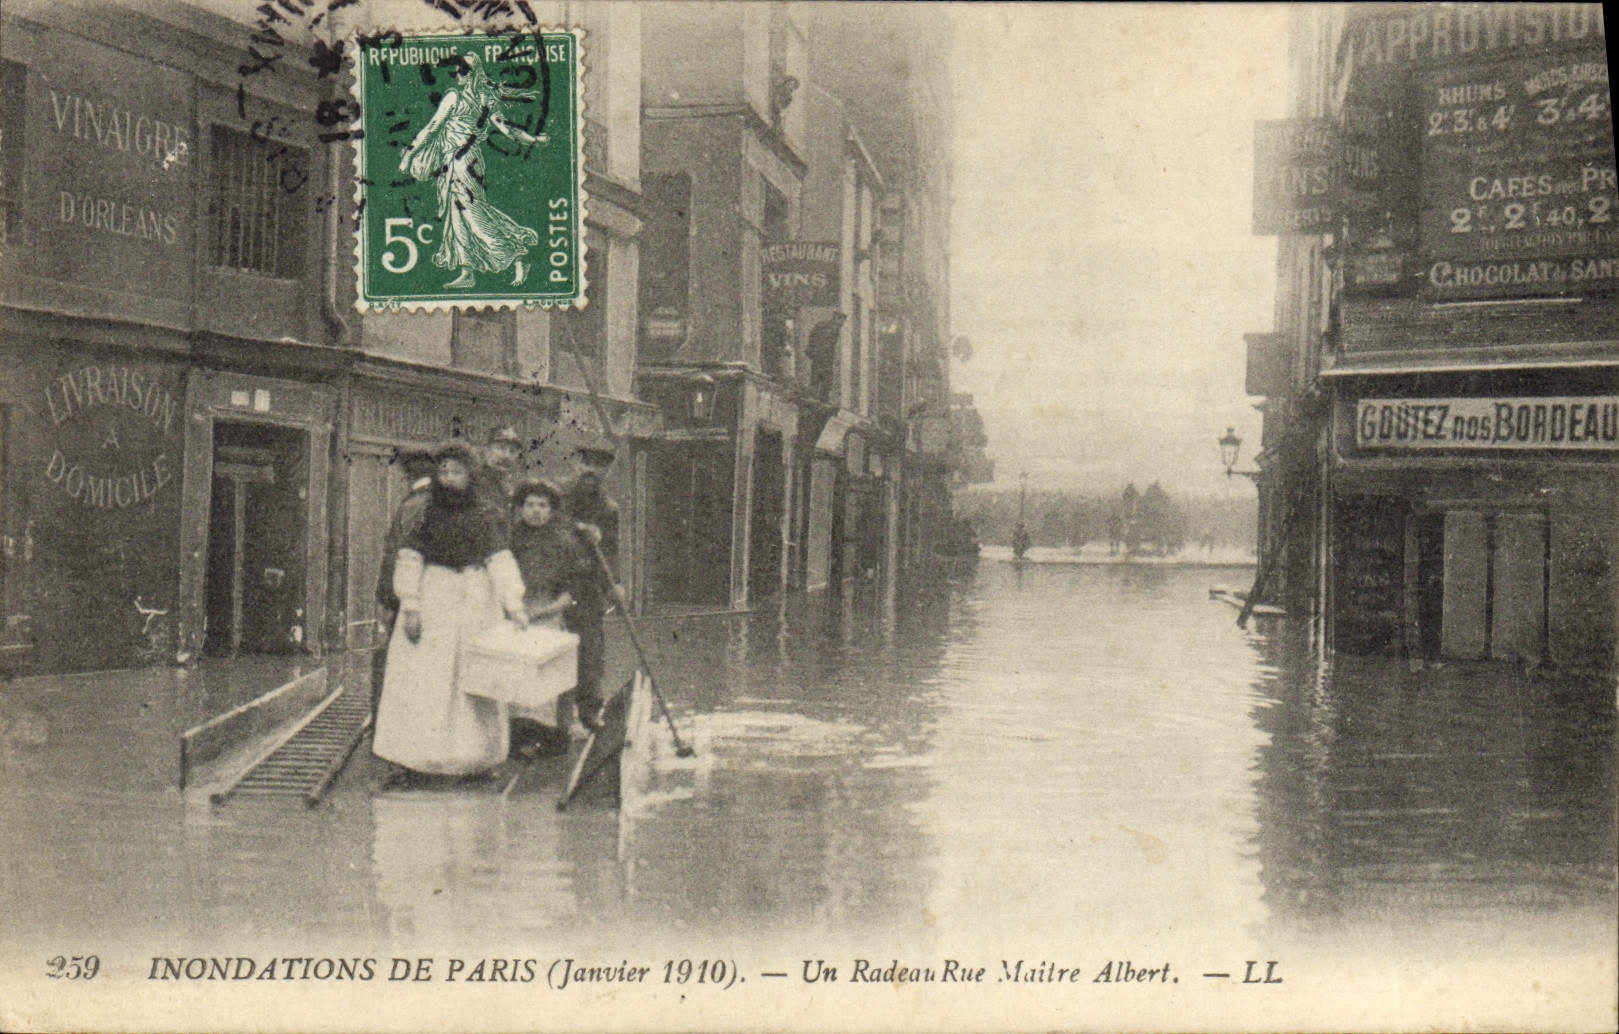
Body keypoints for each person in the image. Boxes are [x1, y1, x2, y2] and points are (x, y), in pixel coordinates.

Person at [373, 440, 527, 785]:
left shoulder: (486, 515)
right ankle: (417, 758)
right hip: (435, 600)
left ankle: (477, 759)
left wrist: (514, 605)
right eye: (443, 471)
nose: (449, 478)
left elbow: (500, 560)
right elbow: (410, 558)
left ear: (471, 475)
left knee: (474, 680)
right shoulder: (426, 514)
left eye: (457, 471)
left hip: (476, 603)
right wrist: (410, 605)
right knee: (427, 679)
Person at [398, 53, 547, 290]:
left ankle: (516, 254)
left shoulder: (454, 97)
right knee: (458, 214)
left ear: (469, 73)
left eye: (459, 71)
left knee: (472, 213)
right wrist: (533, 139)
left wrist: (410, 154)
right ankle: (467, 272)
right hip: (468, 160)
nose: (456, 75)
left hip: (460, 160)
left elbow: (432, 127)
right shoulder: (486, 99)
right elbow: (508, 129)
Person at [506, 478, 591, 757]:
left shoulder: (563, 541)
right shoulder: (511, 539)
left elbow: (573, 588)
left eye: (542, 505)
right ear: (521, 508)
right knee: (515, 671)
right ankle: (518, 732)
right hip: (516, 609)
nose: (535, 511)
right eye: (529, 505)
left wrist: (548, 609)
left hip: (551, 609)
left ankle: (551, 732)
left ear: (552, 510)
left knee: (549, 670)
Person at [559, 443, 625, 732]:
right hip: (558, 582)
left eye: (599, 465)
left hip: (589, 588)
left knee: (590, 651)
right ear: (576, 463)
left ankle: (589, 710)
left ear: (606, 471)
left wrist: (616, 584)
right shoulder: (557, 498)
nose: (591, 470)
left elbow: (611, 549)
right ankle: (553, 716)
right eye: (586, 462)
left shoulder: (608, 509)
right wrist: (578, 531)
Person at [371, 448, 437, 717]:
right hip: (433, 595)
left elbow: (397, 556)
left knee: (393, 660)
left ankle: (383, 724)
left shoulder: (413, 504)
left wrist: (385, 599)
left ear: (406, 474)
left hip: (407, 598)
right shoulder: (435, 503)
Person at [476, 426, 525, 513]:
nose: (507, 455)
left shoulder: (515, 486)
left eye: (512, 451)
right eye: (501, 448)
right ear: (486, 450)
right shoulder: (474, 480)